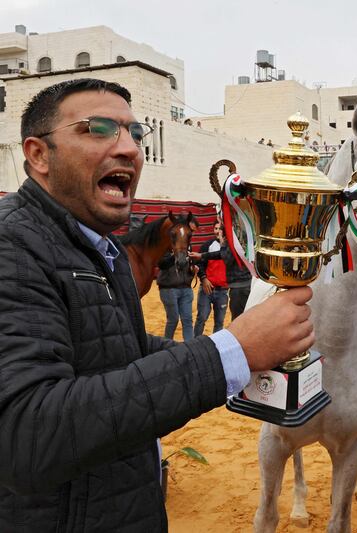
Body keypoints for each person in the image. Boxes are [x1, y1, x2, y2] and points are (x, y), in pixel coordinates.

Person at [0, 78, 315, 531]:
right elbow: (28, 435)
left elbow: (116, 350)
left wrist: (246, 364)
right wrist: (230, 352)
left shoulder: (95, 247)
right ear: (38, 155)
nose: (129, 148)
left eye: (136, 133)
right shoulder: (13, 244)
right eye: (100, 128)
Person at [193, 220, 229, 336]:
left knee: (219, 322)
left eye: (220, 228)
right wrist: (204, 278)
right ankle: (195, 344)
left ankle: (216, 347)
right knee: (201, 318)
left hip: (223, 291)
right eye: (216, 228)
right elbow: (199, 264)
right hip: (207, 289)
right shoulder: (207, 245)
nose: (218, 231)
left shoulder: (230, 248)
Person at [156, 244, 197, 341]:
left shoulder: (188, 246)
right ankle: (166, 344)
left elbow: (189, 265)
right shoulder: (164, 246)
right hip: (168, 288)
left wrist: (192, 270)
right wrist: (175, 255)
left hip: (186, 287)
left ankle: (190, 347)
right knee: (173, 319)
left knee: (187, 319)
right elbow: (161, 264)